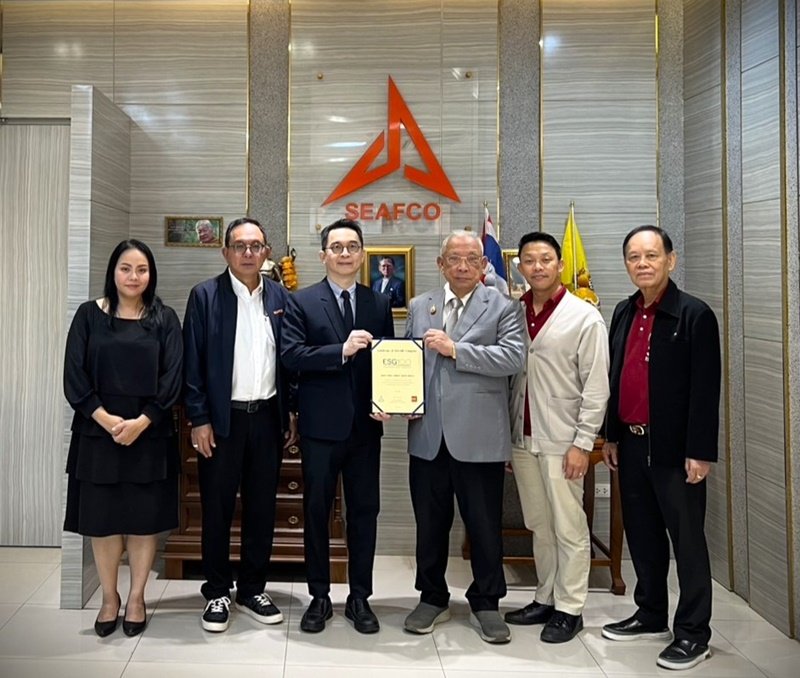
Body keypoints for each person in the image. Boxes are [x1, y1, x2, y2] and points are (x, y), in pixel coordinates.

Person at [601, 225, 721, 671]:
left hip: (675, 451)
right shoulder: (623, 311)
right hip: (630, 446)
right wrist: (611, 434)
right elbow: (616, 377)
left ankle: (693, 632)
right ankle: (651, 614)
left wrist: (700, 451)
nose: (643, 263)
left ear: (670, 260)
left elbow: (705, 390)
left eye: (651, 255)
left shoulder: (694, 314)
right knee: (643, 535)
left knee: (686, 542)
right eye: (634, 257)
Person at [403, 230, 525, 644]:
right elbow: (407, 361)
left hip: (479, 435)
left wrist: (456, 349)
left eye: (472, 259)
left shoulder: (504, 306)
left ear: (484, 264)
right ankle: (431, 597)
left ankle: (487, 602)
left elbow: (512, 358)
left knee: (484, 525)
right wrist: (398, 399)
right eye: (454, 259)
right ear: (441, 264)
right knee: (430, 524)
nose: (462, 266)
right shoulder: (420, 305)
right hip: (428, 435)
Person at [183, 217, 297, 633]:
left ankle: (251, 589)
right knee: (217, 507)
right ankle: (216, 590)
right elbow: (192, 363)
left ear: (266, 251)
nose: (248, 253)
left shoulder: (281, 297)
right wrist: (199, 418)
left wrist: (291, 412)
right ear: (226, 252)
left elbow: (289, 360)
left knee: (261, 507)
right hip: (221, 420)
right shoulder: (205, 296)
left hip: (266, 417)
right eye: (239, 246)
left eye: (255, 246)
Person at [64, 239, 182, 638]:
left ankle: (136, 598)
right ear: (113, 271)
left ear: (151, 275)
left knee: (144, 522)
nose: (134, 277)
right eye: (126, 269)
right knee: (103, 522)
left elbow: (173, 377)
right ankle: (109, 598)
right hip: (98, 433)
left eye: (142, 270)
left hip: (150, 432)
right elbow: (74, 376)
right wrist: (106, 420)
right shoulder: (88, 316)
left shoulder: (164, 318)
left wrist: (141, 422)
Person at [281, 218, 393, 634]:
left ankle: (360, 597)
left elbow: (386, 359)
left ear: (362, 254)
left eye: (352, 246)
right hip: (320, 427)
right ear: (323, 255)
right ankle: (320, 596)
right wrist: (340, 351)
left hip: (366, 427)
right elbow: (291, 355)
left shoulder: (378, 302)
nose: (345, 253)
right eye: (337, 247)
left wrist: (389, 400)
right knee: (317, 511)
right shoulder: (302, 301)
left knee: (364, 512)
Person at [505, 232, 610, 643]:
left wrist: (583, 443)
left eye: (546, 259)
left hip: (564, 440)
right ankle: (545, 596)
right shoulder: (515, 313)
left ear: (560, 265)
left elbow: (597, 387)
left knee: (568, 525)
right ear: (520, 267)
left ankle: (570, 607)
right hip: (523, 437)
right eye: (529, 260)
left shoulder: (584, 317)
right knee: (539, 523)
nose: (537, 267)